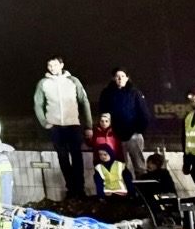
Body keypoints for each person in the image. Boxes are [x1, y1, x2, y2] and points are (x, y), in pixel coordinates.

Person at [33, 56, 92, 199]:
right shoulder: (43, 83)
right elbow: (37, 104)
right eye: (49, 66)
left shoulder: (73, 81)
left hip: (73, 125)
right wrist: (45, 122)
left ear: (61, 65)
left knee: (77, 158)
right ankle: (70, 189)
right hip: (56, 127)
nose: (52, 68)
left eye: (54, 65)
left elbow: (84, 102)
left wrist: (89, 125)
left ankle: (80, 189)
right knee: (63, 158)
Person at [98, 68, 152, 174]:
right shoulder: (106, 93)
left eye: (123, 76)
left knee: (140, 167)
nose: (120, 78)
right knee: (119, 168)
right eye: (117, 76)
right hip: (115, 137)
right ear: (113, 78)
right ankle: (123, 190)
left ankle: (142, 190)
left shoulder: (135, 93)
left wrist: (138, 130)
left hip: (134, 136)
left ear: (127, 78)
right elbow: (102, 112)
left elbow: (144, 114)